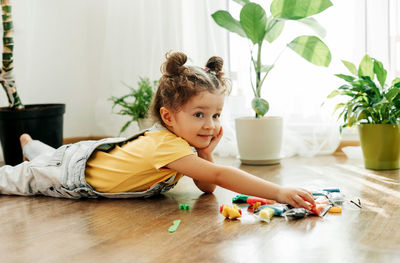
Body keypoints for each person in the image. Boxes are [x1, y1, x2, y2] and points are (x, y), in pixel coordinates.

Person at [0, 51, 315, 210]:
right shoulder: (166, 146)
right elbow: (218, 179)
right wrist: (278, 193)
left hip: (78, 157)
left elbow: (206, 187)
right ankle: (32, 151)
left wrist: (206, 152)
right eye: (199, 114)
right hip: (71, 174)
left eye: (217, 114)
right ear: (169, 116)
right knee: (19, 178)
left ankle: (31, 145)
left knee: (49, 156)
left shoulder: (182, 145)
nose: (210, 124)